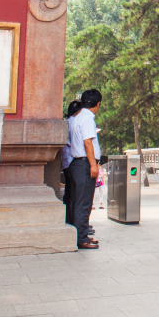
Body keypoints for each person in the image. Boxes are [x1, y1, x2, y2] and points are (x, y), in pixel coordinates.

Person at [66, 89, 102, 249]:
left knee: (77, 201)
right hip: (84, 164)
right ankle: (82, 238)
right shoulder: (87, 119)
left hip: (76, 163)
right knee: (84, 202)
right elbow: (88, 143)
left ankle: (79, 235)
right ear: (98, 104)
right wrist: (93, 165)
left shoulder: (76, 117)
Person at [61, 101, 82, 225]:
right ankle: (75, 221)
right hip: (72, 161)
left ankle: (69, 220)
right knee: (75, 194)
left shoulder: (67, 121)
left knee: (69, 193)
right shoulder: (74, 122)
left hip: (66, 161)